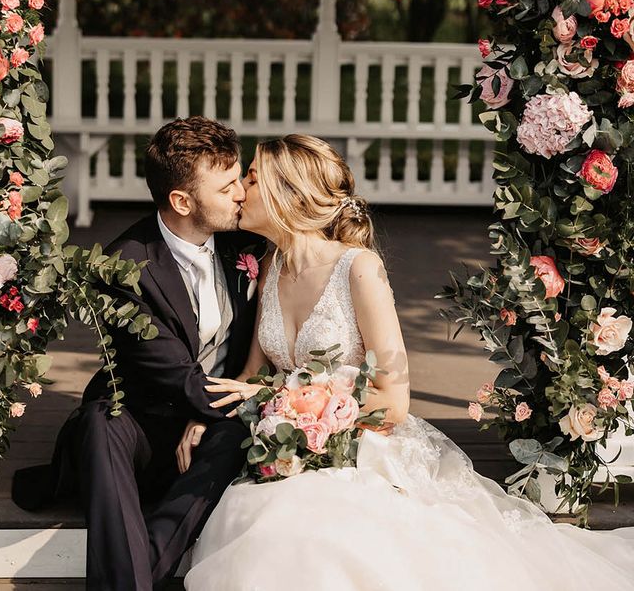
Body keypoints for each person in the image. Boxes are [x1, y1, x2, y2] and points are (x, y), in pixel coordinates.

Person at [183, 134, 634, 591]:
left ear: (289, 193)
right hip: (286, 442)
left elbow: (393, 403)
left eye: (252, 178)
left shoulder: (360, 270)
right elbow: (251, 377)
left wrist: (295, 407)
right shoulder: (272, 268)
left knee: (310, 532)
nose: (240, 188)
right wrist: (212, 418)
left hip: (363, 448)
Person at [12, 117, 263, 591]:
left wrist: (210, 420)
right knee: (100, 422)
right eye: (227, 185)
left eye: (238, 180)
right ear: (182, 201)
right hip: (139, 430)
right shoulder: (124, 265)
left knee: (234, 436)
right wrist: (218, 407)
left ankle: (133, 575)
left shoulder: (246, 244)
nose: (241, 194)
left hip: (209, 428)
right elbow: (178, 377)